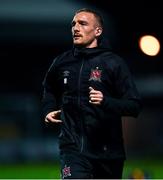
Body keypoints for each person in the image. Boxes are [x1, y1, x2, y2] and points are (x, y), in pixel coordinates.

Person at [41, 8, 141, 179]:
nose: (76, 28)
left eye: (83, 23)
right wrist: (48, 109)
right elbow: (48, 88)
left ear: (98, 31)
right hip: (72, 149)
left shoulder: (113, 63)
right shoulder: (61, 62)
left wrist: (106, 101)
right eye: (73, 24)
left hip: (108, 152)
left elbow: (134, 106)